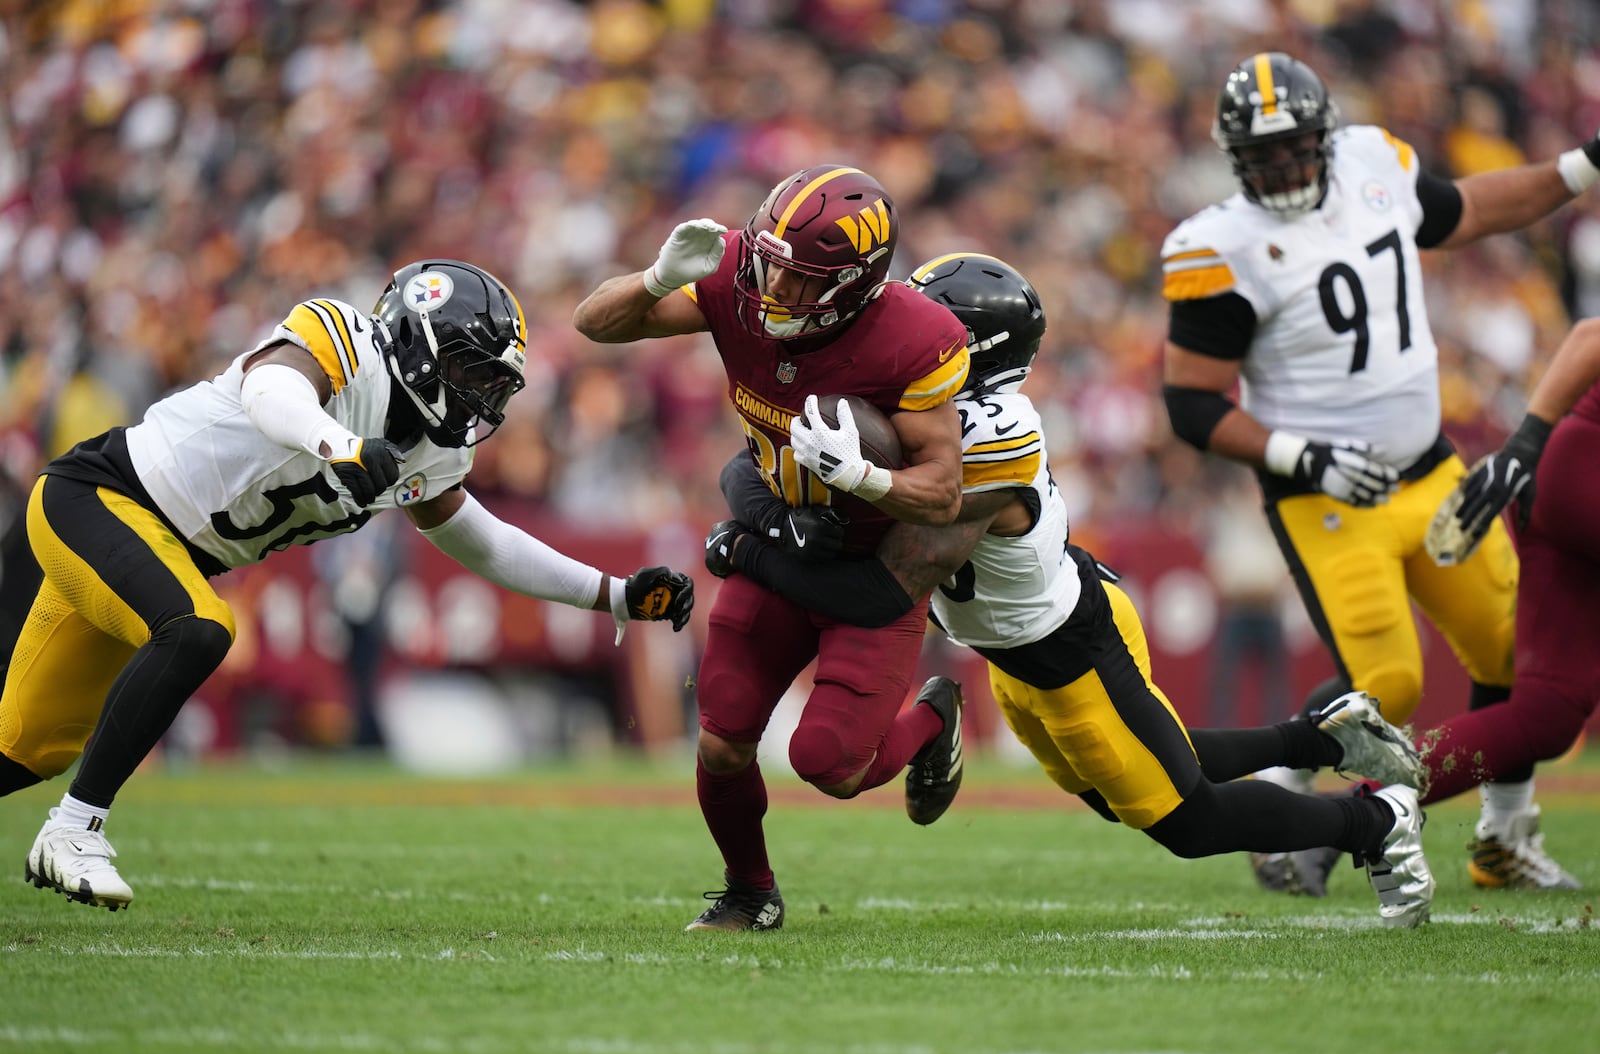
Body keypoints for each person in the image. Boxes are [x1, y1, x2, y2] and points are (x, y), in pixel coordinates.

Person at [707, 252, 1435, 927]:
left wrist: (752, 548)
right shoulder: (916, 411)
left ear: (966, 350)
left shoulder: (986, 439)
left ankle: (1375, 823)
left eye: (923, 324)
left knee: (1186, 820)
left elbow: (878, 594)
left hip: (1071, 646)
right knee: (1132, 783)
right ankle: (1323, 736)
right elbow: (756, 461)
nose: (898, 334)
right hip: (1013, 651)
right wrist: (773, 511)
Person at [2, 259, 695, 911]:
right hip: (101, 498)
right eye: (467, 369)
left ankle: (67, 816)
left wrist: (613, 594)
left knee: (27, 744)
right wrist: (339, 444)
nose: (479, 395)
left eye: (491, 383)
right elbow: (270, 388)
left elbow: (485, 541)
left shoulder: (435, 446)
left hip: (163, 546)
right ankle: (73, 829)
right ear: (420, 344)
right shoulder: (346, 340)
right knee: (199, 627)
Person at [1159, 51, 1598, 893]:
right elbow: (1192, 403)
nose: (1282, 169)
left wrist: (1584, 164)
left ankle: (1504, 840)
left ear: (1324, 136)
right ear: (1234, 159)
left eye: (1293, 150)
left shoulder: (1371, 162)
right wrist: (1302, 454)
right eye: (1262, 156)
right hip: (1326, 494)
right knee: (1388, 681)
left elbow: (1470, 209)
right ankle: (1284, 804)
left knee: (1514, 650)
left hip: (1432, 469)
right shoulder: (1219, 247)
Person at [572, 165, 973, 932]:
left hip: (873, 565)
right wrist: (658, 277)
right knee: (723, 739)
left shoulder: (913, 339)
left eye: (798, 280)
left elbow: (943, 491)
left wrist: (864, 476)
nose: (772, 288)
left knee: (832, 764)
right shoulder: (738, 273)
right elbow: (597, 322)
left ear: (855, 285)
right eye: (768, 264)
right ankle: (750, 891)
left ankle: (934, 717)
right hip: (781, 536)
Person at [1415, 316, 1600, 888]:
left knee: (1546, 712)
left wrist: (1528, 447)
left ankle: (1372, 802)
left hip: (1565, 470)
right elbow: (1592, 336)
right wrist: (1523, 443)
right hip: (1583, 468)